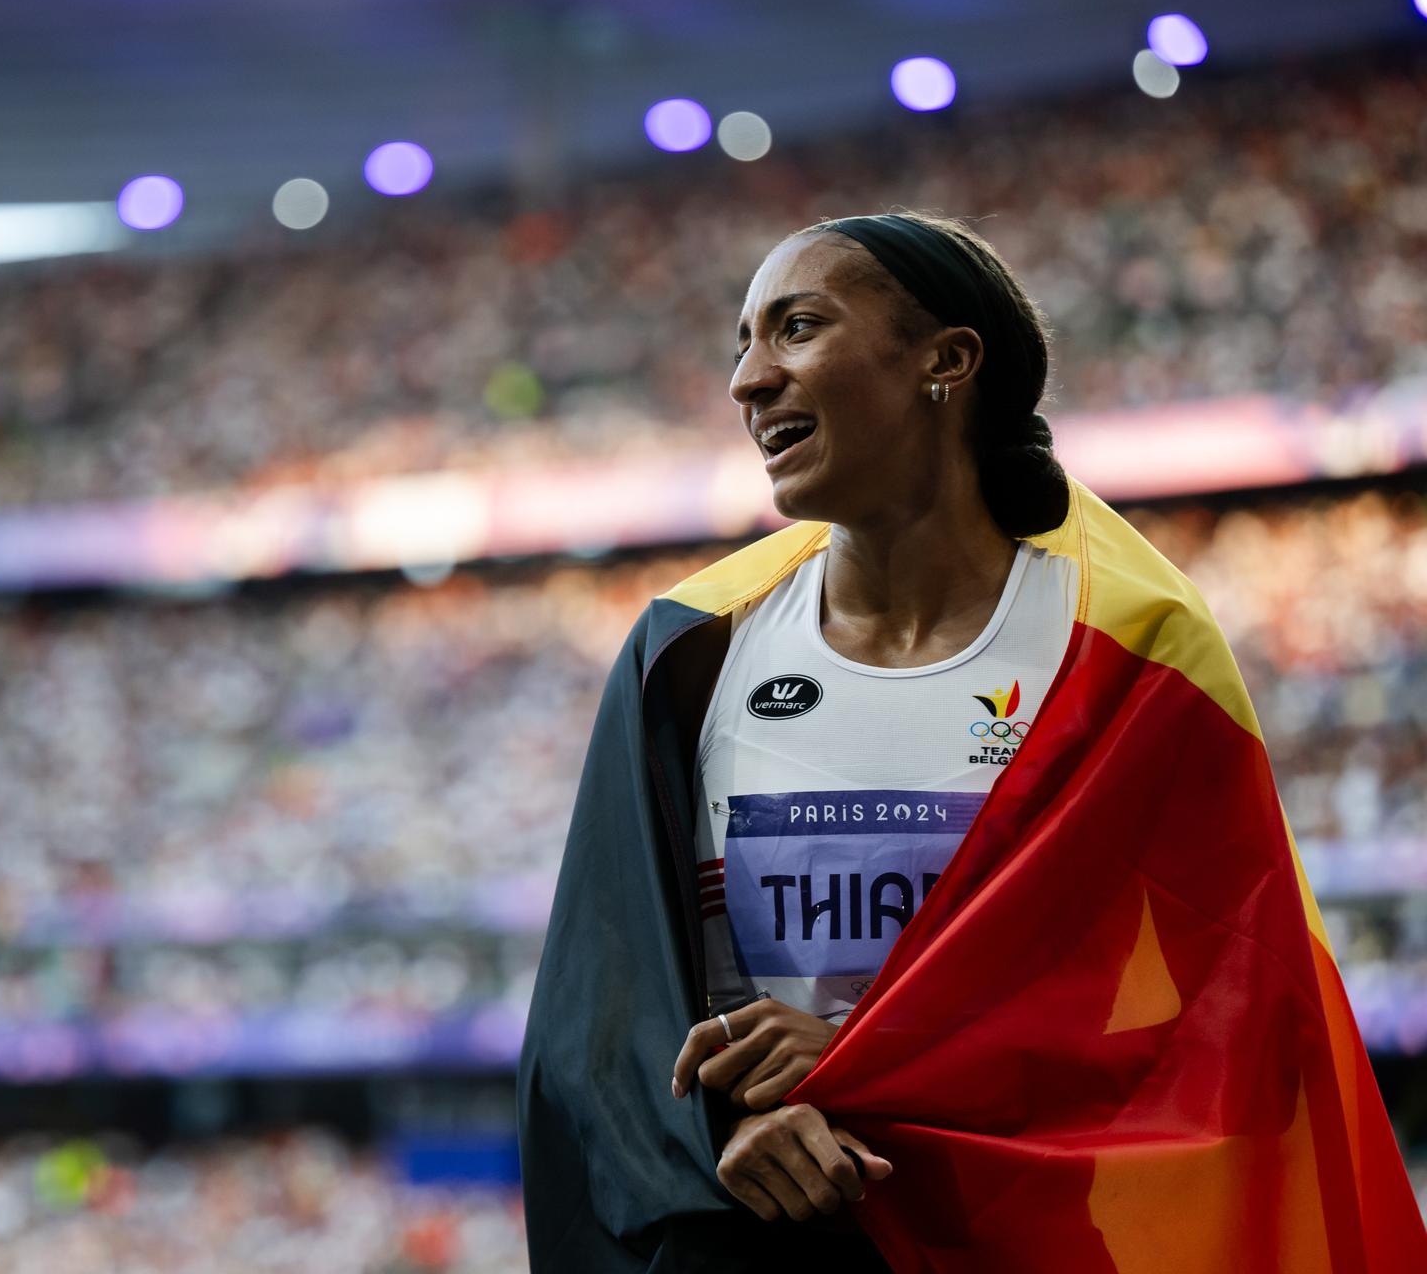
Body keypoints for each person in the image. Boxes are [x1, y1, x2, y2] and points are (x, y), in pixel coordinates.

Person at [516, 211, 1423, 1272]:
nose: (747, 380)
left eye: (797, 328)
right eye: (742, 341)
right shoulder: (686, 654)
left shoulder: (1127, 650)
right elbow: (598, 1023)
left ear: (946, 361)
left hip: (1028, 1234)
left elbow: (1231, 1026)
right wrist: (723, 1132)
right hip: (763, 1234)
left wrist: (875, 1067)